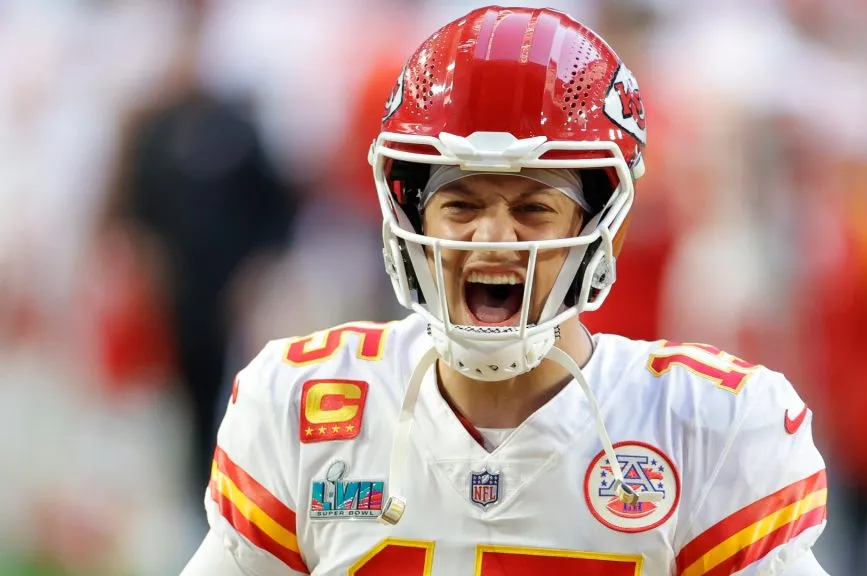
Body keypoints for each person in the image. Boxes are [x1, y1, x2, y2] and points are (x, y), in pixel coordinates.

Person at [181, 6, 830, 575]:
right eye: (460, 205)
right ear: (412, 219)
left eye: (533, 208)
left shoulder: (704, 427)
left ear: (601, 229)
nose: (494, 239)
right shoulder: (304, 404)